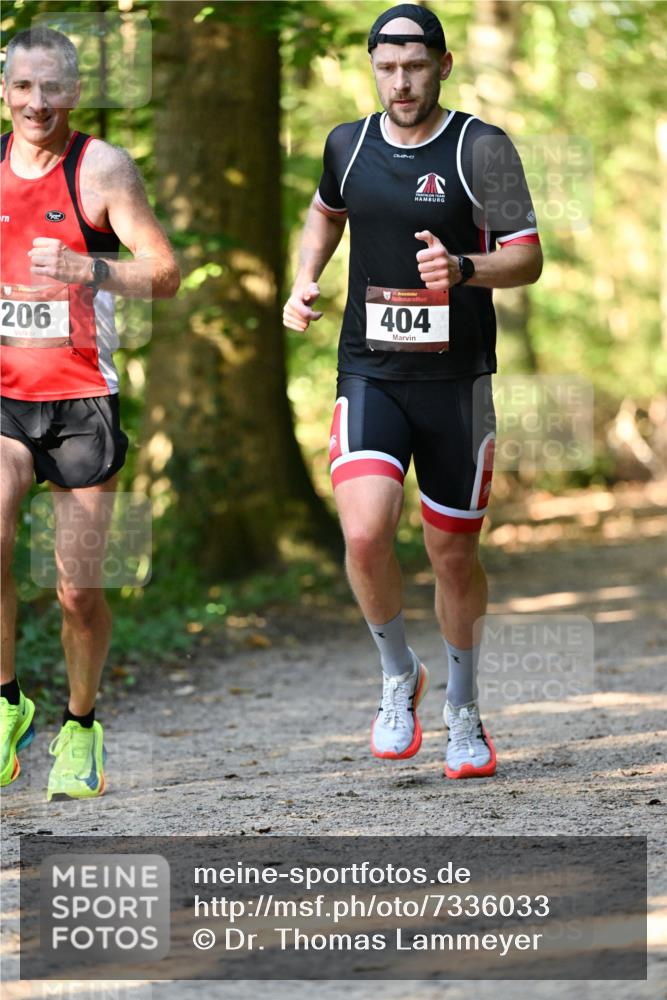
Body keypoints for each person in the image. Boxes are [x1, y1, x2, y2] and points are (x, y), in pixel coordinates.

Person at [283, 4, 542, 778]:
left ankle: (462, 707)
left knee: (451, 553)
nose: (400, 82)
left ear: (442, 65)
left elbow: (526, 257)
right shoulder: (348, 143)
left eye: (415, 66)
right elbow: (325, 213)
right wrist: (303, 280)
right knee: (364, 533)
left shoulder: (479, 147)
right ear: (372, 68)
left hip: (456, 384)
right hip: (369, 371)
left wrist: (463, 268)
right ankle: (398, 674)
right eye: (387, 67)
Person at [0, 26, 180, 799]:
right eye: (22, 88)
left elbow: (164, 273)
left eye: (52, 88)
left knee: (77, 589)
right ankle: (7, 703)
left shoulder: (100, 168)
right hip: (4, 399)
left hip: (81, 403)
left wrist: (85, 267)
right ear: (4, 90)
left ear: (74, 91)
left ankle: (79, 723)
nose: (37, 103)